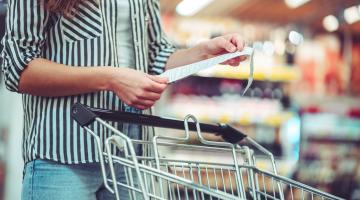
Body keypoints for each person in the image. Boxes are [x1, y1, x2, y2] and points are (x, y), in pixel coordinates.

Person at [1, 0, 246, 199]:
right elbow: (18, 69)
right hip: (63, 156)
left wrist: (204, 53)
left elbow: (156, 57)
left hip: (132, 155)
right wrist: (110, 78)